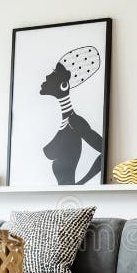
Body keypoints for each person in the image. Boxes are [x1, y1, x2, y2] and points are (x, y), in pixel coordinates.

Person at [39, 47, 103, 185]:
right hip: (61, 198)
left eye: (54, 73)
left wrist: (80, 184)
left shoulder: (74, 121)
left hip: (71, 199)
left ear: (63, 85)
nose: (47, 76)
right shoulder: (61, 121)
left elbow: (103, 151)